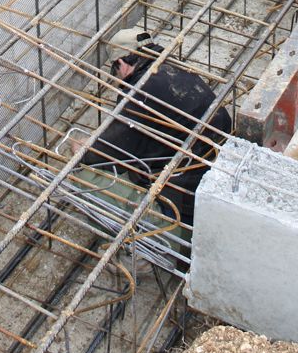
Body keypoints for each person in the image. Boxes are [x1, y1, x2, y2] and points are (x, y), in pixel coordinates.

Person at [82, 26, 231, 226]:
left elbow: (106, 153)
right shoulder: (174, 67)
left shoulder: (140, 94)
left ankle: (149, 238)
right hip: (222, 169)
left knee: (85, 176)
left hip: (187, 200)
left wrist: (82, 147)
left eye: (114, 69)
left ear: (121, 63)